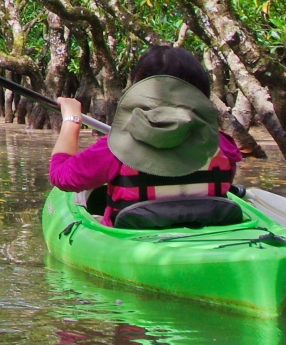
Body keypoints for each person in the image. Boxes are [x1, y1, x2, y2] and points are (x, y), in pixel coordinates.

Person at [49, 44, 243, 228]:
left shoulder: (118, 147)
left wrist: (72, 120)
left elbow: (60, 176)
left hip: (134, 234)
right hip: (209, 230)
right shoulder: (222, 144)